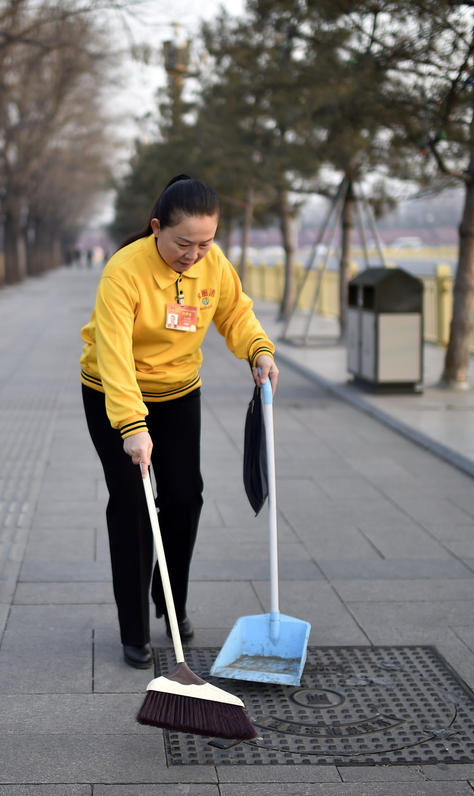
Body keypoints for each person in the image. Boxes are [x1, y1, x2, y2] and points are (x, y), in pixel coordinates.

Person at [80, 174, 278, 670]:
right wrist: (131, 426)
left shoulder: (213, 265)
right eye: (182, 243)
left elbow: (235, 314)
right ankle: (132, 629)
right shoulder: (123, 271)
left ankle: (171, 601)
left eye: (206, 243)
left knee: (185, 496)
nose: (194, 255)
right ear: (155, 229)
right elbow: (115, 354)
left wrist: (258, 349)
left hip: (178, 392)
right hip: (113, 392)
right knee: (131, 503)